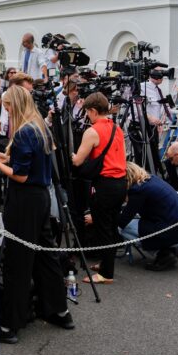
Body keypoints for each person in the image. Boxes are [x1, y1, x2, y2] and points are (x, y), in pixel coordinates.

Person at [0, 85, 72, 344]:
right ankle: (59, 310)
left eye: (8, 106)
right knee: (46, 254)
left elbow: (21, 176)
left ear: (16, 105)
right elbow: (31, 164)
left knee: (17, 261)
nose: (7, 111)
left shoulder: (24, 132)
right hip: (41, 197)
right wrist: (5, 158)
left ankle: (9, 324)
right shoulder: (40, 126)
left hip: (24, 200)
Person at [71, 91, 127, 284]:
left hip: (105, 184)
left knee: (103, 229)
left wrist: (72, 155)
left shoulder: (92, 131)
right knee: (111, 225)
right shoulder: (117, 128)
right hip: (120, 182)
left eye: (87, 112)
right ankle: (106, 263)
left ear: (94, 111)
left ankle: (106, 273)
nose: (87, 116)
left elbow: (78, 161)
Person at [118, 163, 178, 271]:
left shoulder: (137, 190)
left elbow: (123, 221)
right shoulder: (152, 179)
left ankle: (163, 253)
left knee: (123, 228)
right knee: (138, 222)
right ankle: (168, 250)